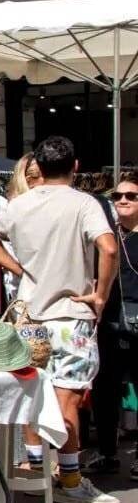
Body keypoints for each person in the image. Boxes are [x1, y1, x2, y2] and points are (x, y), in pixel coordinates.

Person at [0, 136, 120, 503]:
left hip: (29, 316)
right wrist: (100, 294)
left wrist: (18, 269)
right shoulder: (84, 203)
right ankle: (69, 480)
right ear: (75, 167)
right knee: (66, 399)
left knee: (32, 394)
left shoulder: (20, 205)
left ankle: (36, 468)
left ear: (38, 166)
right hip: (70, 317)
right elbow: (108, 247)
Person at [90, 172, 138, 478]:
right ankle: (107, 453)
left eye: (131, 196)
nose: (122, 200)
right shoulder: (107, 236)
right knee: (104, 388)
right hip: (109, 321)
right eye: (117, 196)